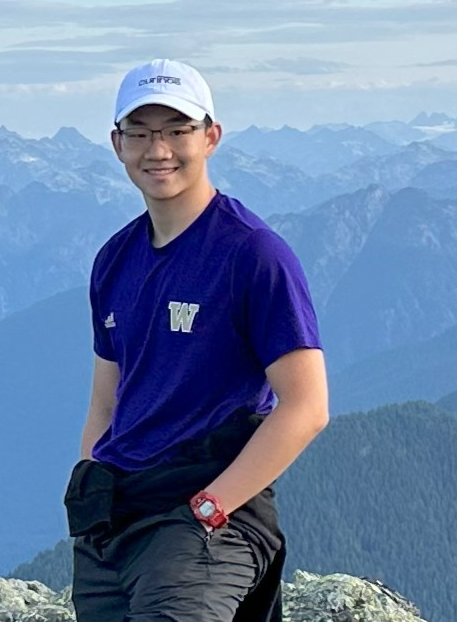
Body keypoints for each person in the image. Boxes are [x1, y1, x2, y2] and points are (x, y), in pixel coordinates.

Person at [64, 58, 329, 622]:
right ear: (117, 144)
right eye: (140, 132)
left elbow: (307, 407)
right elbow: (106, 402)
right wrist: (89, 489)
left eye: (177, 130)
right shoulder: (114, 260)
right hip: (115, 522)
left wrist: (211, 508)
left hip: (204, 518)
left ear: (210, 137)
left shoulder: (253, 254)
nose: (157, 149)